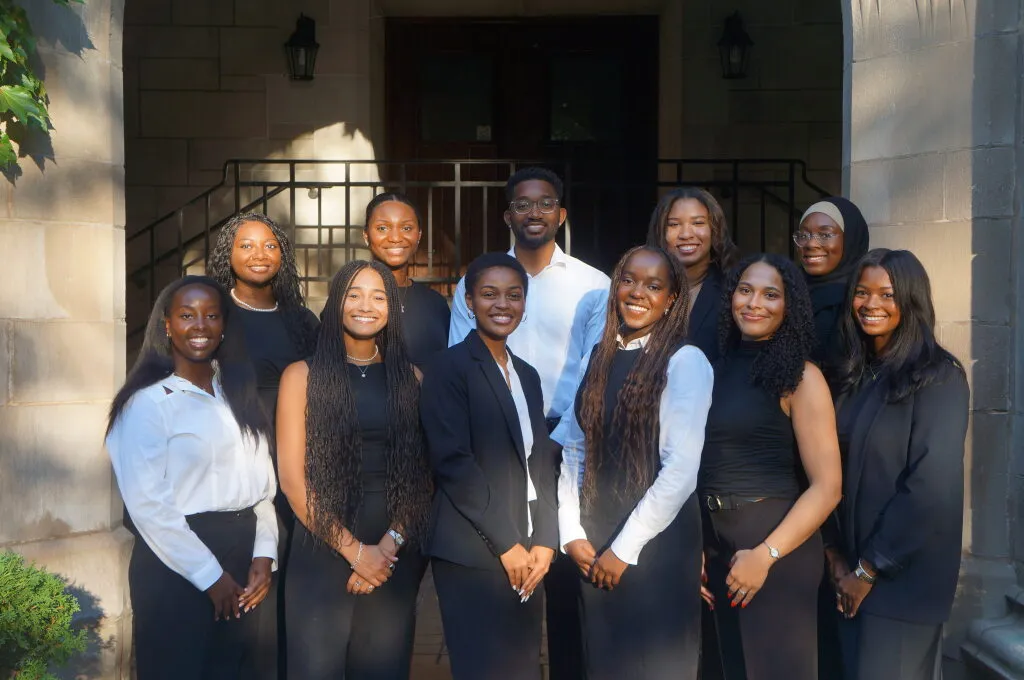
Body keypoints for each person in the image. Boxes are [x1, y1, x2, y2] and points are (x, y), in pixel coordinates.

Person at [448, 167, 608, 679]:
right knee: (507, 571)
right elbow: (460, 357)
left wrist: (558, 438)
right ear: (507, 215)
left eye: (545, 204)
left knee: (566, 586)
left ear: (560, 214)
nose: (533, 212)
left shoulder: (592, 284)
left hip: (567, 442)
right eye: (522, 204)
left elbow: (595, 367)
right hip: (496, 447)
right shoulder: (476, 282)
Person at [106, 276, 278, 680]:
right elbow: (150, 507)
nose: (200, 325)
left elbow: (264, 492)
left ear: (224, 325)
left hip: (244, 557)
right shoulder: (145, 404)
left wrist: (264, 556)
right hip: (178, 564)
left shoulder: (238, 393)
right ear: (167, 324)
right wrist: (211, 577)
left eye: (211, 315)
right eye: (187, 315)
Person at [554, 245, 713, 680]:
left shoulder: (685, 362)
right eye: (628, 280)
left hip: (654, 546)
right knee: (605, 663)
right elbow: (574, 448)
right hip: (594, 538)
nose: (637, 292)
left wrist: (624, 550)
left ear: (672, 299)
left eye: (654, 285)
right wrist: (571, 533)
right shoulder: (598, 354)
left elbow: (679, 472)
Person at [275, 260, 433, 679]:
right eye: (354, 294)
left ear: (391, 309)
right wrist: (354, 552)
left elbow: (423, 476)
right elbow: (292, 479)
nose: (367, 305)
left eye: (379, 296)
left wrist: (387, 548)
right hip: (322, 542)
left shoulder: (412, 379)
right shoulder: (301, 376)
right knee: (315, 668)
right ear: (336, 302)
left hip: (393, 548)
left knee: (382, 668)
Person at [700, 254, 842, 680]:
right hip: (716, 542)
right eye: (745, 290)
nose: (754, 302)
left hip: (774, 546)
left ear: (789, 306)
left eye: (770, 294)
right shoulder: (713, 369)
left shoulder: (801, 377)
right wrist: (695, 548)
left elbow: (828, 486)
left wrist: (766, 555)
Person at [830, 249, 968, 680]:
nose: (871, 305)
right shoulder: (856, 373)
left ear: (911, 300)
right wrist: (835, 557)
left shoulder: (938, 376)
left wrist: (869, 569)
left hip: (901, 582)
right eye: (862, 292)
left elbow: (931, 485)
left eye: (887, 294)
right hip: (848, 574)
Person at [422, 252, 559, 680]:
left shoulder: (528, 375)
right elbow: (453, 463)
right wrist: (508, 543)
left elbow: (540, 460)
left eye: (514, 295)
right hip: (472, 550)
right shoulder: (447, 368)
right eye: (489, 294)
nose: (502, 304)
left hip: (526, 546)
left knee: (520, 666)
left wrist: (546, 540)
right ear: (468, 302)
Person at [209, 211, 319, 679]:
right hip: (237, 465)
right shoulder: (212, 313)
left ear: (283, 255)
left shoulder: (301, 321)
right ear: (227, 254)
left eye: (270, 246)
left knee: (289, 577)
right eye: (247, 245)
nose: (259, 254)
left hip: (295, 461)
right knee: (246, 583)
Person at [646, 187, 739, 362]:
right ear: (660, 232)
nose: (686, 234)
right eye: (674, 224)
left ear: (714, 229)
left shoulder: (735, 291)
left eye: (698, 223)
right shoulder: (641, 291)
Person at [363, 192, 451, 369]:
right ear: (366, 236)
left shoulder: (435, 303)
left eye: (406, 228)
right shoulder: (350, 299)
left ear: (418, 236)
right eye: (382, 228)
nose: (395, 238)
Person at [793, 197, 870, 376]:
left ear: (850, 239)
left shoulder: (864, 299)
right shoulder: (784, 291)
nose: (811, 244)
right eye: (803, 235)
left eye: (825, 235)